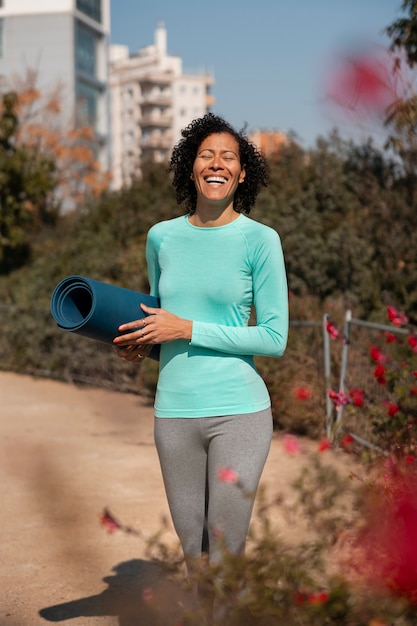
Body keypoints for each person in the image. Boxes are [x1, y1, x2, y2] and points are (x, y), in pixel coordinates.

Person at [113, 112, 288, 601]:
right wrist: (141, 347)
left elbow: (274, 338)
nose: (216, 164)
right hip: (174, 415)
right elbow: (160, 321)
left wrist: (186, 328)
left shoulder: (260, 240)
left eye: (228, 157)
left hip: (240, 413)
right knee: (195, 556)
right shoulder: (160, 237)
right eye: (206, 155)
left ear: (242, 172)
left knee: (226, 554)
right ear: (190, 168)